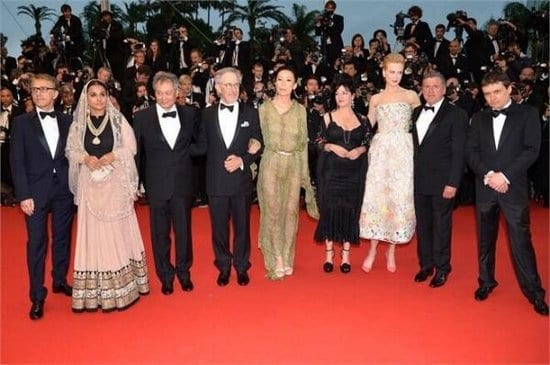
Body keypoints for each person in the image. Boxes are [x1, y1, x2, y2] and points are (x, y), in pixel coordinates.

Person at [465, 69, 548, 316]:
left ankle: (535, 292)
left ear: (509, 88)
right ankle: (486, 281)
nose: (492, 99)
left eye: (497, 92)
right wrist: (490, 175)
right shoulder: (478, 118)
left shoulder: (528, 114)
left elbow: (531, 150)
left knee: (521, 241)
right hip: (486, 187)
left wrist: (505, 175)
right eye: (487, 94)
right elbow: (471, 152)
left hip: (513, 188)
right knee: (485, 240)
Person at [65, 79, 149, 312]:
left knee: (116, 232)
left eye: (102, 94)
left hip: (115, 184)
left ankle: (124, 289)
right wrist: (84, 158)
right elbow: (71, 150)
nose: (99, 99)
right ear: (86, 98)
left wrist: (114, 155)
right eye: (93, 95)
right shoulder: (78, 125)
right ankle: (95, 293)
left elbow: (131, 147)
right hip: (90, 186)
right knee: (94, 234)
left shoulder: (118, 120)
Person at [133, 71, 206, 294]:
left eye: (168, 93)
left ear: (177, 92)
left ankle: (184, 273)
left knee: (183, 232)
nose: (164, 98)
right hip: (156, 185)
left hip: (183, 183)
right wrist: (136, 183)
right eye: (159, 93)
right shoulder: (142, 118)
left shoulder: (191, 114)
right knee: (159, 233)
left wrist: (184, 153)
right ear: (154, 94)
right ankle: (165, 276)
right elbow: (137, 154)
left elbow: (202, 145)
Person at [10, 74, 74, 319]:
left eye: (44, 89)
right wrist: (23, 195)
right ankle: (37, 295)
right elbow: (17, 162)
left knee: (62, 239)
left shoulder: (68, 121)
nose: (38, 94)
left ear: (56, 94)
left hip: (64, 191)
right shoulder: (22, 123)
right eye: (35, 90)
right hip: (34, 193)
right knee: (36, 243)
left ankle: (59, 279)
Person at [359, 53, 420, 272]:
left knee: (398, 197)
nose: (395, 76)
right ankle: (373, 249)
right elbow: (366, 129)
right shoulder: (376, 99)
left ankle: (391, 250)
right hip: (381, 151)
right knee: (377, 197)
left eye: (399, 72)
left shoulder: (412, 96)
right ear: (384, 72)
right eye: (391, 72)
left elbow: (422, 126)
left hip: (403, 151)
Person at [202, 67, 262, 286]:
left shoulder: (250, 112)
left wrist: (242, 160)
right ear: (217, 88)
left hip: (240, 180)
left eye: (235, 84)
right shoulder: (206, 114)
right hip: (216, 181)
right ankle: (224, 265)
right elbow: (200, 145)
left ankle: (242, 266)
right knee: (218, 228)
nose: (232, 89)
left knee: (242, 226)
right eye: (227, 85)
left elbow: (258, 144)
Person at [257, 66, 318, 279]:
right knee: (272, 211)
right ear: (275, 83)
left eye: (288, 80)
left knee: (291, 212)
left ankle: (287, 254)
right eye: (280, 80)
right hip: (271, 163)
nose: (283, 84)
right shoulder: (264, 108)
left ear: (294, 84)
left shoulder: (301, 110)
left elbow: (303, 146)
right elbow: (258, 137)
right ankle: (277, 259)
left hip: (293, 164)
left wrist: (305, 177)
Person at [411, 71, 468, 287]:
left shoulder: (457, 114)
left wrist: (453, 183)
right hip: (419, 181)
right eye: (426, 86)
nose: (431, 90)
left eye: (435, 86)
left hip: (443, 182)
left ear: (444, 89)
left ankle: (443, 268)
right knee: (423, 226)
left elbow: (459, 152)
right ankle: (426, 265)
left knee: (441, 226)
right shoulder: (415, 112)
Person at [314, 78, 371, 274]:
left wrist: (360, 150)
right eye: (337, 93)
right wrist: (331, 146)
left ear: (353, 95)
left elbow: (369, 142)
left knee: (349, 210)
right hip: (331, 172)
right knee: (329, 209)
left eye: (345, 93)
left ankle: (346, 255)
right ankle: (329, 254)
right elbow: (318, 141)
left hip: (354, 173)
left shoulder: (363, 120)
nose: (341, 97)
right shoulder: (328, 117)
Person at [315, 0, 344, 69]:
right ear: (325, 8)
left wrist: (330, 23)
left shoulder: (339, 18)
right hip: (325, 47)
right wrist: (318, 24)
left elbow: (339, 31)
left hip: (336, 46)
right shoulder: (323, 17)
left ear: (334, 8)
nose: (330, 9)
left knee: (336, 65)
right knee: (325, 65)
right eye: (328, 8)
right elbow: (317, 33)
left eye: (331, 8)